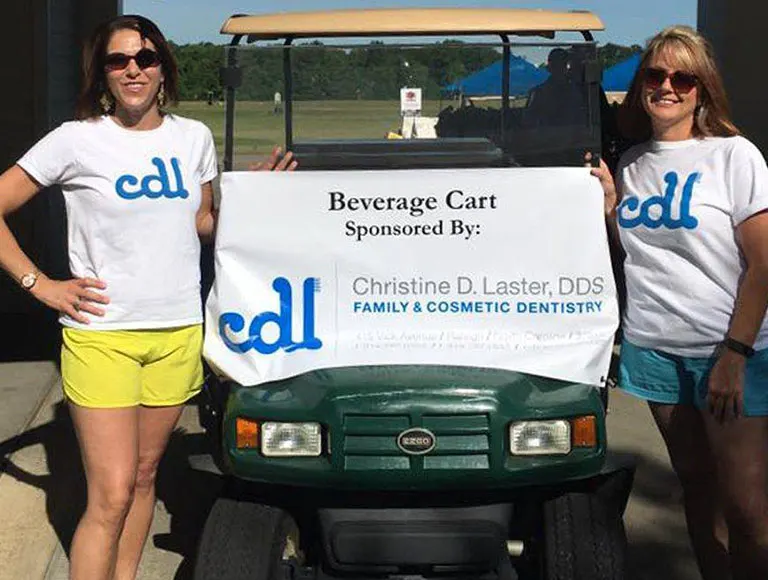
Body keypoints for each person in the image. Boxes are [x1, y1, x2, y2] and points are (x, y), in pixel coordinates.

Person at [0, 15, 295, 580]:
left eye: (146, 57)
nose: (133, 69)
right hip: (103, 338)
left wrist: (255, 197)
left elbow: (203, 223)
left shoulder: (193, 139)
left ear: (164, 68)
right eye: (118, 61)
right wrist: (40, 284)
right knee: (108, 495)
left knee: (142, 479)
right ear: (103, 74)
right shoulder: (76, 139)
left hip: (177, 331)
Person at [591, 26, 768, 580]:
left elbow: (764, 264)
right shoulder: (635, 163)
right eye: (656, 74)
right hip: (654, 352)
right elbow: (643, 251)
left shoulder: (733, 156)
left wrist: (735, 354)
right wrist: (614, 207)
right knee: (697, 490)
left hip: (726, 353)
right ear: (641, 83)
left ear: (702, 89)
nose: (667, 86)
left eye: (682, 77)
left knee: (745, 505)